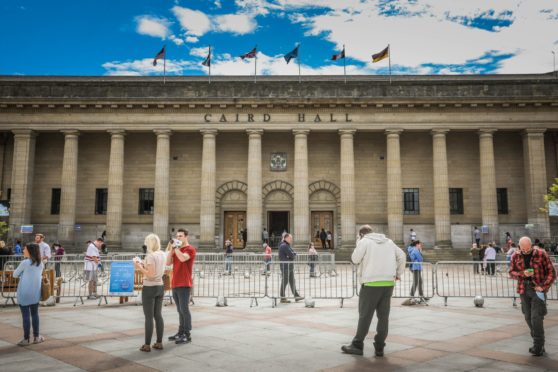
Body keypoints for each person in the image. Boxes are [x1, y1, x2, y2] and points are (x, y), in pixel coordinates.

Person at [342, 225, 406, 357]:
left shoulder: (364, 241)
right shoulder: (389, 242)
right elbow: (402, 256)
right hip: (388, 283)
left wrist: (358, 243)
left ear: (361, 234)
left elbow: (355, 259)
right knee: (383, 317)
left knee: (365, 316)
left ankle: (357, 345)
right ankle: (379, 346)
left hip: (371, 283)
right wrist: (398, 273)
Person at [509, 237, 556, 356]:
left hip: (537, 289)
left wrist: (543, 286)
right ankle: (539, 344)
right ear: (519, 247)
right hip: (523, 289)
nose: (525, 251)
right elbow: (511, 272)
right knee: (528, 317)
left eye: (527, 248)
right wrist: (522, 273)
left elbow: (552, 272)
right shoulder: (516, 255)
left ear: (531, 245)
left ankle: (538, 346)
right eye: (523, 249)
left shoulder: (541, 254)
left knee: (536, 318)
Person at [134, 233, 166, 352]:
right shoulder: (162, 254)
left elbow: (150, 274)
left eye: (146, 242)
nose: (145, 244)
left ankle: (147, 345)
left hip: (149, 287)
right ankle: (159, 342)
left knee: (148, 317)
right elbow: (156, 270)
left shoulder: (151, 256)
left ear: (149, 244)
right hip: (160, 286)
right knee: (158, 315)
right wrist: (144, 265)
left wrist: (138, 266)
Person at [166, 228, 196, 345]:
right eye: (177, 236)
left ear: (186, 237)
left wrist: (176, 248)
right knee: (179, 310)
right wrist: (171, 250)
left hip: (184, 283)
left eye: (180, 236)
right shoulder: (176, 249)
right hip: (175, 283)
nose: (178, 238)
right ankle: (180, 331)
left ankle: (187, 334)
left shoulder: (190, 249)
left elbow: (183, 258)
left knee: (184, 309)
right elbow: (168, 263)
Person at [13, 243, 44, 345]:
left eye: (25, 249)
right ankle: (37, 337)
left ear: (30, 251)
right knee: (35, 315)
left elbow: (14, 274)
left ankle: (26, 339)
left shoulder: (25, 263)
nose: (23, 251)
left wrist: (22, 273)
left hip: (24, 292)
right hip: (35, 292)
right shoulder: (41, 263)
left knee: (25, 316)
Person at [278, 233, 303, 303]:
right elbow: (292, 255)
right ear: (286, 238)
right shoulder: (284, 246)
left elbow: (293, 254)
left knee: (292, 281)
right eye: (290, 238)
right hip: (286, 266)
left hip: (290, 266)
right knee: (284, 282)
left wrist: (292, 255)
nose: (291, 240)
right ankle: (282, 297)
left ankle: (296, 296)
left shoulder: (287, 245)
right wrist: (291, 255)